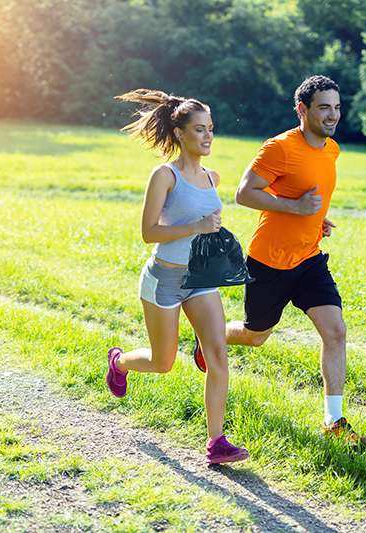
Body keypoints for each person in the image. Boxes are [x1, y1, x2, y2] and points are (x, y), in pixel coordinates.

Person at [193, 75, 366, 449]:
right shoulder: (279, 148)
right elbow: (244, 194)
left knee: (335, 331)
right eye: (324, 107)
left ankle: (333, 420)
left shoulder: (332, 150)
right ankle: (210, 339)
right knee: (256, 336)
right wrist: (296, 208)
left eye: (336, 107)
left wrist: (314, 219)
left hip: (308, 259)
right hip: (269, 262)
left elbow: (305, 195)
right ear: (302, 110)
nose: (332, 115)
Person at [106, 89, 249, 464]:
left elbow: (208, 228)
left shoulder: (212, 178)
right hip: (164, 280)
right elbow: (149, 232)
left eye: (211, 129)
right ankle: (118, 362)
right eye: (199, 129)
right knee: (162, 362)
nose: (208, 136)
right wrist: (198, 226)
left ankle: (216, 442)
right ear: (180, 133)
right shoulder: (164, 176)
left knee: (218, 355)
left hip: (200, 280)